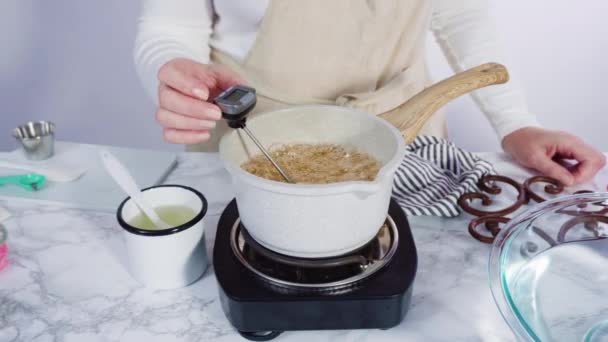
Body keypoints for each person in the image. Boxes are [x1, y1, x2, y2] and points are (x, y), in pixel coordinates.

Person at [134, 0, 605, 186]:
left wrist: (516, 123)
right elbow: (173, 24)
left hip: (402, 131)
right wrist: (174, 74)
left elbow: (458, 12)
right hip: (253, 135)